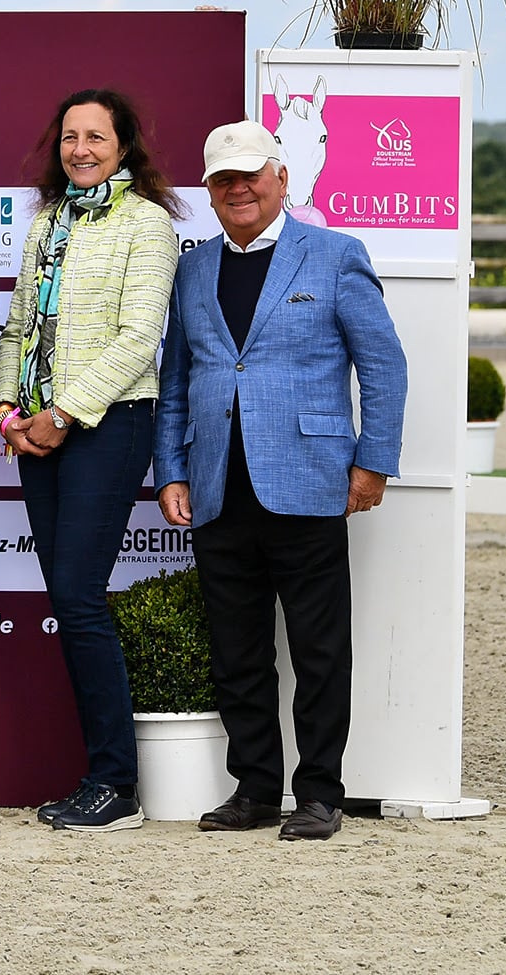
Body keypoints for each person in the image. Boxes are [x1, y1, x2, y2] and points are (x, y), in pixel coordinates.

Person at [154, 119, 407, 842]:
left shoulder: (332, 255)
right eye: (222, 180)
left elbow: (383, 365)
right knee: (236, 648)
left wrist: (372, 460)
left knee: (319, 647)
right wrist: (170, 467)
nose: (237, 189)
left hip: (307, 479)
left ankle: (320, 791)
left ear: (280, 177)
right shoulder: (193, 267)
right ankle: (255, 786)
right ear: (208, 190)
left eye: (249, 175)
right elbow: (177, 380)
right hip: (214, 485)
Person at [0, 90, 180, 833]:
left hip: (106, 423)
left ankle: (116, 785)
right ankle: (101, 778)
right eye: (68, 136)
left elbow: (138, 339)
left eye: (95, 137)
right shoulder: (47, 222)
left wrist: (62, 412)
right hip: (35, 431)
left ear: (125, 144)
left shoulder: (148, 224)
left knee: (76, 595)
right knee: (68, 599)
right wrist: (10, 413)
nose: (79, 149)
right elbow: (15, 329)